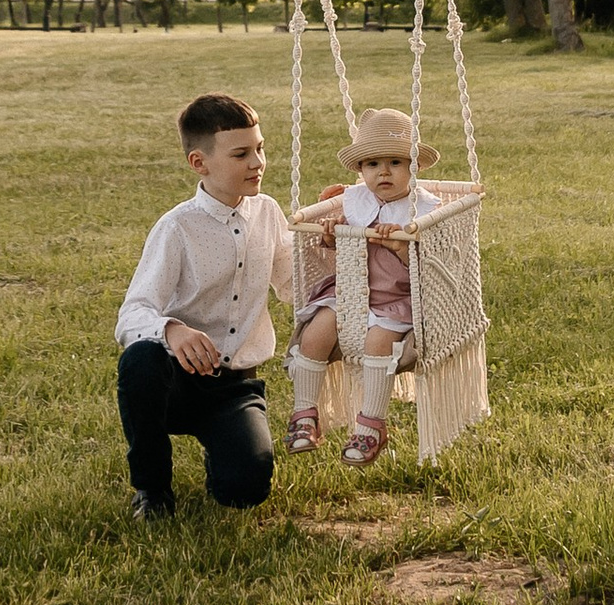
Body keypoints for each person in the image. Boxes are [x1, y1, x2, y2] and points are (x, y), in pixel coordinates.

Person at [112, 92, 292, 520]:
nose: (257, 163)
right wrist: (172, 329)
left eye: (260, 148)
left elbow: (296, 287)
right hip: (175, 380)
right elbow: (131, 315)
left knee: (244, 490)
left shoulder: (267, 212)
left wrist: (333, 224)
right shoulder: (177, 228)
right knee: (140, 360)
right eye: (241, 154)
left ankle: (225, 453)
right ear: (199, 163)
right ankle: (153, 491)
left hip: (233, 387)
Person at [285, 105, 446, 471]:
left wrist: (403, 247)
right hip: (350, 294)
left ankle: (370, 424)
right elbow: (338, 248)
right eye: (373, 164)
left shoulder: (421, 209)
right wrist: (331, 235)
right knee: (314, 335)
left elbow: (433, 266)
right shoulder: (353, 201)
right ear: (361, 171)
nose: (384, 172)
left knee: (378, 343)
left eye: (395, 162)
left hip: (395, 299)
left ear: (413, 168)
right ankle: (305, 413)